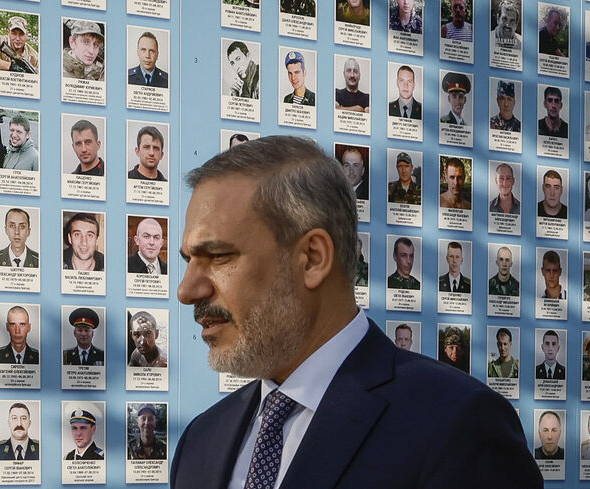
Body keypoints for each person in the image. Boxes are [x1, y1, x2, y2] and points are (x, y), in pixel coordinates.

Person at [171, 135, 542, 488]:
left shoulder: (458, 428)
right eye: (188, 261)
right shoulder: (201, 440)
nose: (187, 291)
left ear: (313, 258)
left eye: (218, 256)